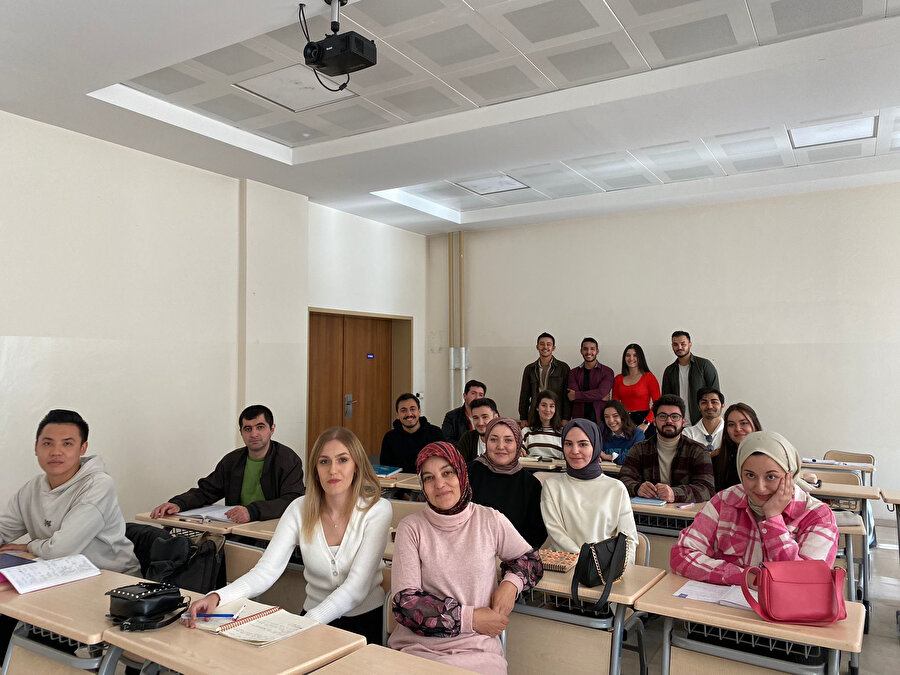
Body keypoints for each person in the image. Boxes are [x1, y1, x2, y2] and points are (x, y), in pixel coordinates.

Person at [185, 427, 391, 645]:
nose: (332, 470)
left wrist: (306, 623)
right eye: (324, 462)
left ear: (356, 465)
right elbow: (266, 571)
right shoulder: (299, 508)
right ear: (315, 469)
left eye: (342, 460)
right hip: (312, 619)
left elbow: (356, 588)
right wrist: (217, 597)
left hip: (363, 622)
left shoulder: (377, 510)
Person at [389, 442, 542, 675]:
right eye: (429, 478)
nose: (439, 485)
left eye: (447, 473)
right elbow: (406, 604)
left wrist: (511, 585)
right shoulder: (411, 528)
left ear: (461, 473)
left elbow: (531, 559)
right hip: (418, 651)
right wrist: (470, 619)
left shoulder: (489, 520)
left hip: (477, 652)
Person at [0, 410, 139, 655]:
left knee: (19, 627)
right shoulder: (32, 488)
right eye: (47, 443)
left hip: (109, 583)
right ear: (36, 448)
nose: (56, 451)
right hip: (58, 579)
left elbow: (62, 549)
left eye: (67, 443)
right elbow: (4, 528)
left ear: (83, 448)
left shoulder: (98, 484)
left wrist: (31, 546)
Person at [670, 431, 838, 585]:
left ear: (790, 475)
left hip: (789, 617)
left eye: (771, 476)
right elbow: (681, 554)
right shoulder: (724, 501)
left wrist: (773, 518)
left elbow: (807, 582)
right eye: (750, 475)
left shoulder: (818, 516)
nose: (760, 488)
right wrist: (744, 577)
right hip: (723, 612)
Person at [151, 405, 304, 523]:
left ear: (272, 429)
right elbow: (207, 491)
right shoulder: (232, 461)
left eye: (260, 427)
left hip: (272, 530)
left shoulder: (288, 460)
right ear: (241, 432)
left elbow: (293, 500)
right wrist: (178, 504)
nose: (254, 434)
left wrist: (252, 511)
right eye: (248, 429)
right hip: (237, 529)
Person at [540, 419, 637, 562]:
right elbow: (557, 536)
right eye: (568, 444)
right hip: (567, 566)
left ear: (596, 446)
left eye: (583, 444)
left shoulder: (616, 488)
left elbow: (628, 539)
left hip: (606, 570)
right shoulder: (552, 487)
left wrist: (616, 570)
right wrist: (586, 563)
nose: (574, 451)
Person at [618, 395, 714, 503]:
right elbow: (623, 480)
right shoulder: (639, 449)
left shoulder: (698, 451)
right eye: (663, 416)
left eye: (675, 416)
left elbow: (706, 489)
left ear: (683, 422)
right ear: (654, 421)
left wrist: (674, 493)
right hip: (647, 514)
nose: (669, 421)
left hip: (684, 516)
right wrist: (637, 488)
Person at [468, 418, 547, 549]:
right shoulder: (467, 473)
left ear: (518, 443)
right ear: (486, 441)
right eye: (493, 439)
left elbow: (536, 533)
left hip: (513, 558)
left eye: (508, 440)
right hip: (470, 551)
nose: (500, 446)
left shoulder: (530, 485)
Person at [661, 331, 720, 425]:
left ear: (690, 344)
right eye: (675, 344)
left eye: (683, 344)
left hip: (702, 423)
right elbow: (666, 400)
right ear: (672, 346)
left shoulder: (704, 365)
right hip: (678, 423)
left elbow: (716, 396)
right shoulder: (669, 371)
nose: (679, 347)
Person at [379, 393, 444, 473]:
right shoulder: (389, 438)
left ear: (419, 411)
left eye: (412, 409)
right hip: (399, 483)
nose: (409, 414)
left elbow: (443, 464)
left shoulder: (436, 434)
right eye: (403, 410)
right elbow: (386, 469)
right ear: (397, 415)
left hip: (429, 481)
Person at [518, 332, 571, 425]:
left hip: (557, 414)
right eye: (542, 344)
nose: (545, 347)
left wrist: (566, 418)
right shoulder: (530, 369)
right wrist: (523, 418)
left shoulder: (563, 368)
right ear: (537, 347)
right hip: (535, 415)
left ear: (553, 348)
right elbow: (524, 396)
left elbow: (566, 396)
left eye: (548, 344)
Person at [612, 343, 659, 439]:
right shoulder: (618, 379)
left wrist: (646, 423)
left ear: (640, 357)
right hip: (624, 420)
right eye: (628, 355)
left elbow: (658, 403)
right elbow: (614, 404)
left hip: (644, 420)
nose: (631, 358)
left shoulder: (649, 377)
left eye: (635, 355)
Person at [714, 402, 763, 492]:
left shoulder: (769, 457)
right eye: (731, 425)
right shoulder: (718, 460)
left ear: (755, 425)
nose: (738, 429)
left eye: (744, 423)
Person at [566, 337, 614, 424]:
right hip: (578, 419)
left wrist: (577, 395)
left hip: (601, 419)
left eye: (592, 349)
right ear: (581, 351)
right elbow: (571, 397)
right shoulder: (573, 373)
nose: (588, 352)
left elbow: (574, 396)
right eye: (585, 349)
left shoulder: (607, 372)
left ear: (597, 351)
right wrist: (598, 396)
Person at [599, 400, 645, 465]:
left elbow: (636, 460)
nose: (611, 421)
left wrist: (607, 457)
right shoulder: (600, 433)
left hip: (630, 474)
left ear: (623, 417)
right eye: (607, 417)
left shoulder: (638, 434)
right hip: (605, 472)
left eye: (615, 416)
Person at [441, 379, 486, 444]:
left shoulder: (490, 415)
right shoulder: (452, 416)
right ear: (465, 396)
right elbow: (446, 440)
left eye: (481, 395)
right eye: (473, 393)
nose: (477, 398)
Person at [522, 390, 564, 460]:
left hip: (557, 470)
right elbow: (519, 452)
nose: (547, 410)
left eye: (551, 406)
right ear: (537, 407)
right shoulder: (526, 432)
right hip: (531, 470)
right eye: (543, 405)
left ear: (555, 409)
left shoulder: (563, 432)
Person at [456, 397, 499, 462]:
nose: (480, 423)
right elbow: (458, 465)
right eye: (476, 418)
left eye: (485, 417)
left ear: (495, 417)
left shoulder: (505, 440)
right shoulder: (468, 438)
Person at [682, 387, 725, 453]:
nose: (709, 406)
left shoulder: (730, 431)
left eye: (714, 402)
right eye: (704, 402)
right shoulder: (687, 434)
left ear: (722, 406)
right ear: (699, 407)